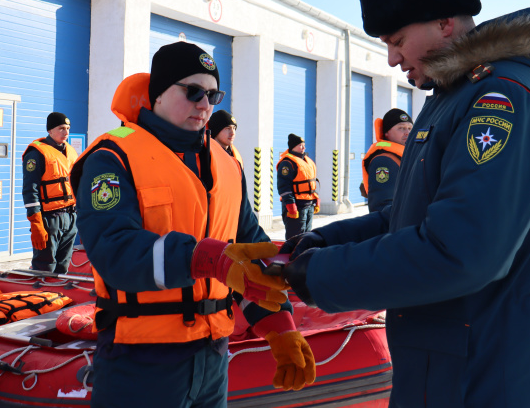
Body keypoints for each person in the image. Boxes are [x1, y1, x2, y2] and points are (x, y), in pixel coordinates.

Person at [281, 0, 530, 407]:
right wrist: (325, 243)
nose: (394, 60)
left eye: (398, 40)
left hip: (491, 379)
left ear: (444, 23)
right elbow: (409, 215)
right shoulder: (450, 98)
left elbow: (460, 250)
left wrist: (322, 277)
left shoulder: (503, 99)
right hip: (444, 372)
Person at [71, 42, 314, 408]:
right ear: (157, 94)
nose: (205, 104)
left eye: (213, 93)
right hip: (140, 362)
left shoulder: (227, 165)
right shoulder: (112, 158)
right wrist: (206, 259)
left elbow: (250, 249)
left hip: (213, 360)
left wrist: (279, 326)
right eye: (193, 91)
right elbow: (114, 251)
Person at [22, 112, 78, 274]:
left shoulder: (71, 152)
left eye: (68, 128)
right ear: (50, 131)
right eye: (61, 128)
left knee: (63, 265)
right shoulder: (36, 154)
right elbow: (29, 190)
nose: (66, 132)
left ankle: (59, 296)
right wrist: (36, 222)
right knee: (45, 265)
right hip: (50, 218)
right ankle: (41, 295)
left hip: (70, 216)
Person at [360, 108, 413, 212]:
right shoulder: (384, 161)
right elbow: (382, 208)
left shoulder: (406, 155)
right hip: (398, 226)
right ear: (386, 133)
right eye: (401, 128)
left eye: (410, 128)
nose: (407, 132)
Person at [276, 134, 319, 240]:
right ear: (292, 147)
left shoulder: (306, 161)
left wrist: (316, 198)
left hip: (308, 204)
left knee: (307, 236)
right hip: (296, 205)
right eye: (300, 145)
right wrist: (291, 205)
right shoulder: (287, 163)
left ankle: (304, 255)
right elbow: (284, 186)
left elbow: (311, 181)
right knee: (295, 237)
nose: (303, 147)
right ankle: (293, 256)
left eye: (304, 145)